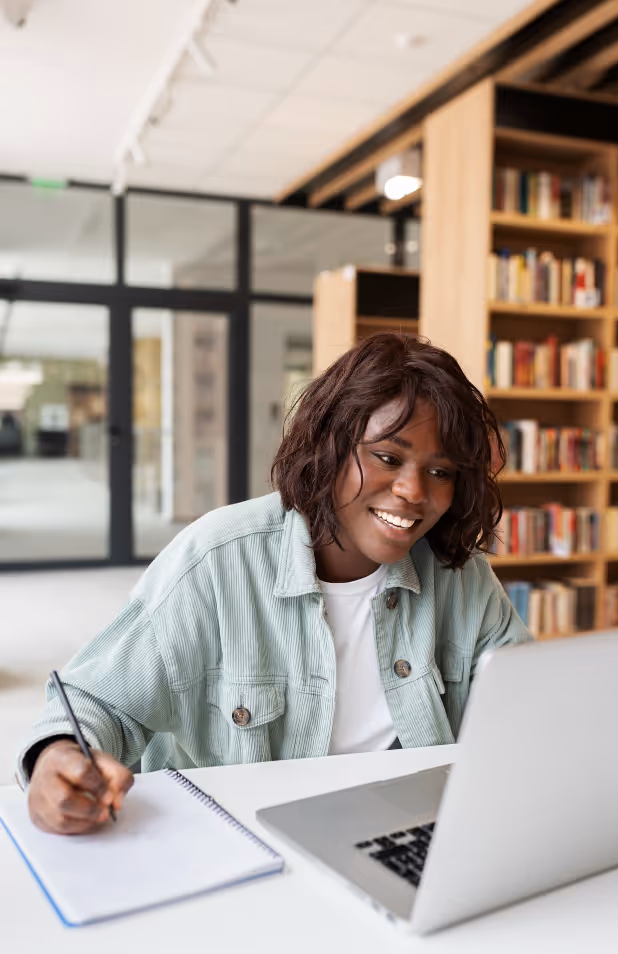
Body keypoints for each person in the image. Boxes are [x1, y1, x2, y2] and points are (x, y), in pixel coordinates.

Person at [20, 332, 529, 835]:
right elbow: (97, 704)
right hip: (238, 842)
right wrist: (56, 759)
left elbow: (529, 704)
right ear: (330, 445)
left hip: (405, 831)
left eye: (440, 472)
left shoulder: (460, 573)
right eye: (388, 458)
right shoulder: (217, 560)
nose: (413, 491)